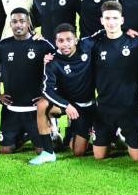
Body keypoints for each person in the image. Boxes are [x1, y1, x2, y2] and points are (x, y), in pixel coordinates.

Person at [87, 1, 138, 162]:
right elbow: (70, 49)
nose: (111, 22)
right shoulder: (94, 44)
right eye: (107, 18)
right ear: (102, 21)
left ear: (122, 20)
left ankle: (124, 135)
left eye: (115, 18)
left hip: (131, 110)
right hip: (104, 109)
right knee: (99, 157)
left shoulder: (137, 43)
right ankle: (114, 135)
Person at [0, 8, 55, 156]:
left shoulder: (42, 45)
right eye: (15, 21)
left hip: (35, 111)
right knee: (6, 150)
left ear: (29, 22)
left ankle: (49, 129)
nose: (18, 25)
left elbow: (58, 68)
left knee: (40, 151)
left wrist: (47, 96)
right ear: (10, 24)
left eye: (22, 21)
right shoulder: (2, 46)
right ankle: (23, 135)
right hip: (12, 111)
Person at [36, 24, 96, 162]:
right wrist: (66, 105)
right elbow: (47, 89)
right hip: (67, 106)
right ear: (56, 42)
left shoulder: (86, 45)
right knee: (42, 105)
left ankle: (78, 132)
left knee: (78, 152)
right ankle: (48, 152)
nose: (65, 44)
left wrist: (127, 30)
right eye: (61, 41)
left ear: (76, 39)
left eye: (69, 39)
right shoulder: (52, 61)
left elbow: (106, 31)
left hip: (87, 107)